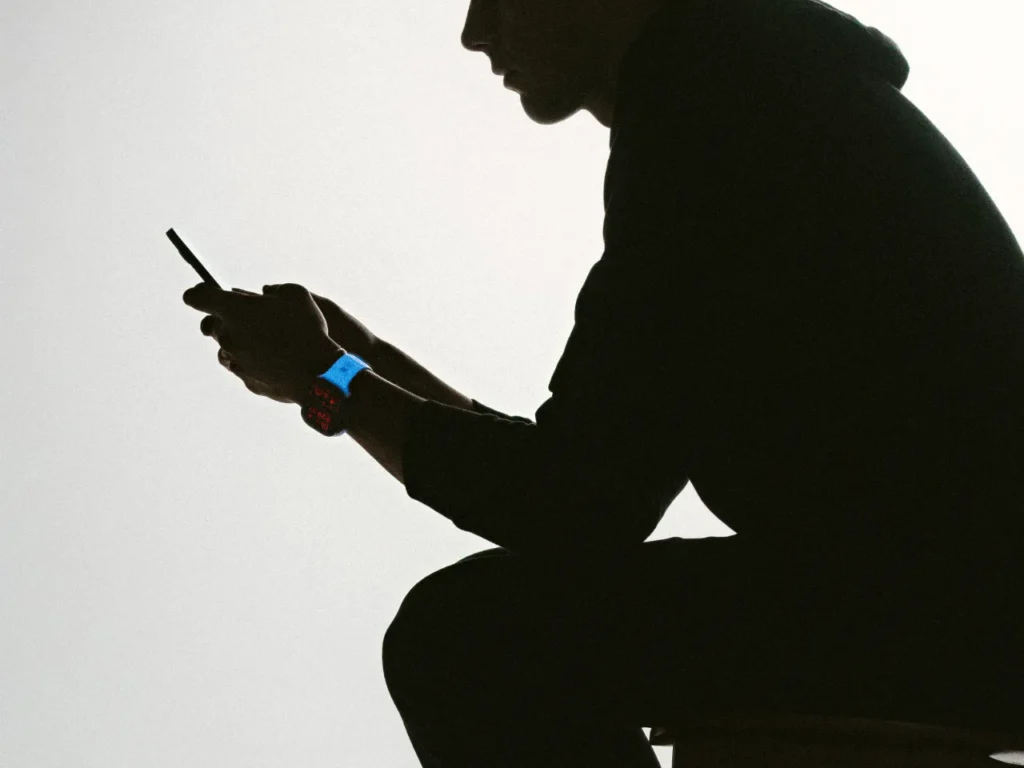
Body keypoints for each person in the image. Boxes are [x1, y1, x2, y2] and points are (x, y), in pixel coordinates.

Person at [212, 0, 1024, 764]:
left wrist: (327, 379)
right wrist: (358, 360)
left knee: (468, 640)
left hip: (949, 611)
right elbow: (583, 472)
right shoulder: (763, 89)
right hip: (945, 593)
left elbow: (571, 503)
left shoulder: (714, 120)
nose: (474, 32)